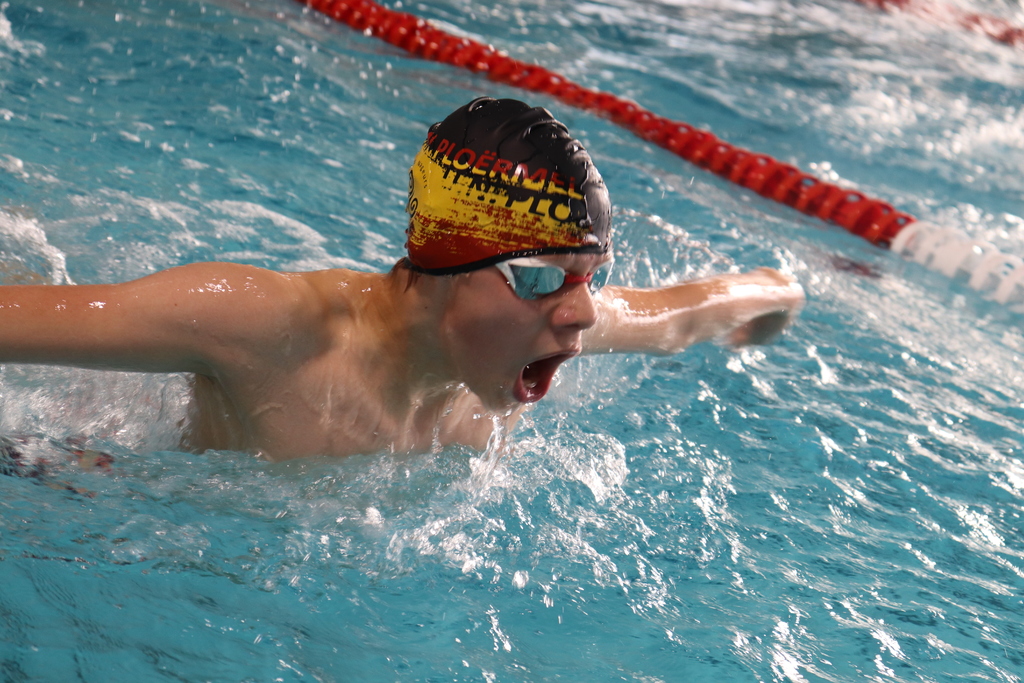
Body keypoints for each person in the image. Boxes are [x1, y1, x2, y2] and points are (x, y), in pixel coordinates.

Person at [0, 97, 804, 461]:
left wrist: (777, 296)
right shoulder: (268, 325)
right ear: (447, 269)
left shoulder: (516, 338)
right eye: (541, 279)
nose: (584, 315)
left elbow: (679, 314)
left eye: (591, 279)